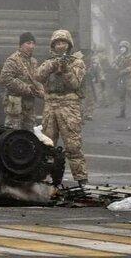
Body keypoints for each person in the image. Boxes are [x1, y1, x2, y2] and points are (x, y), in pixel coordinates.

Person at [34, 29, 88, 186]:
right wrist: (52, 65)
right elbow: (38, 76)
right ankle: (44, 179)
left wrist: (65, 69)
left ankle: (81, 180)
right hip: (50, 105)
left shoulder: (77, 63)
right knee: (47, 144)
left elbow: (75, 83)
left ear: (69, 45)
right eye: (57, 43)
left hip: (69, 105)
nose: (60, 46)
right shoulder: (49, 61)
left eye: (63, 42)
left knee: (73, 145)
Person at [0, 32, 43, 129]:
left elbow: (36, 79)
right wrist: (26, 88)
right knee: (13, 134)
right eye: (28, 43)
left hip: (29, 107)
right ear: (21, 45)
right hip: (15, 108)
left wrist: (41, 90)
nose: (31, 46)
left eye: (33, 43)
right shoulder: (13, 60)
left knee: (29, 136)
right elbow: (5, 78)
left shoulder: (33, 61)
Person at [112, 40, 131, 119]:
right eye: (120, 47)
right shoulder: (118, 57)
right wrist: (116, 67)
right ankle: (122, 112)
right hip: (121, 79)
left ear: (127, 48)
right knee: (121, 96)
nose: (121, 49)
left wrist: (124, 71)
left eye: (123, 47)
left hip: (129, 78)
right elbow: (113, 64)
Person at [83, 47, 106, 121]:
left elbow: (99, 70)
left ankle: (89, 114)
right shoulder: (80, 60)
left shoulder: (94, 62)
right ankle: (83, 113)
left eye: (90, 53)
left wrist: (102, 79)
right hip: (82, 81)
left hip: (90, 82)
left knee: (91, 98)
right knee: (84, 98)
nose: (90, 55)